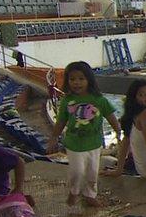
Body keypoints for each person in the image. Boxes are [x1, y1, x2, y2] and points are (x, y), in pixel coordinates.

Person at [47, 61, 121, 206]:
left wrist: (118, 132)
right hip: (74, 144)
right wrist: (53, 138)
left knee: (92, 173)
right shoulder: (67, 101)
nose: (77, 83)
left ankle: (90, 195)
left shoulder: (99, 100)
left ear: (89, 80)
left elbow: (111, 116)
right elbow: (61, 121)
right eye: (72, 79)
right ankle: (74, 191)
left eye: (81, 79)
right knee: (77, 172)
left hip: (94, 144)